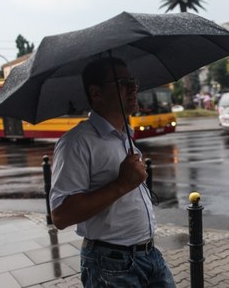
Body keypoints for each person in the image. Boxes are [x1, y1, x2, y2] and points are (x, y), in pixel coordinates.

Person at [50, 57, 175, 287]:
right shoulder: (77, 142)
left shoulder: (124, 135)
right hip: (110, 265)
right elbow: (60, 215)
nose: (133, 88)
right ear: (96, 93)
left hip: (149, 255)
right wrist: (121, 184)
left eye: (133, 82)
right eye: (122, 83)